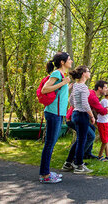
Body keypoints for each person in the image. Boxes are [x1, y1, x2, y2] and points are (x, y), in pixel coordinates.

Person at [39, 52, 72, 183]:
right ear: (62, 62)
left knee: (51, 143)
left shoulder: (61, 75)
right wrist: (63, 82)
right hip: (53, 113)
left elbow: (59, 93)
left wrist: (67, 85)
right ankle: (45, 175)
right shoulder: (57, 74)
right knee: (49, 144)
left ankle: (46, 172)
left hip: (57, 113)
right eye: (69, 59)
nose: (71, 61)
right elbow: (45, 90)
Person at [62, 65, 95, 174]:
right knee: (82, 140)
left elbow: (70, 100)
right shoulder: (84, 87)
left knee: (79, 140)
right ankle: (78, 165)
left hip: (75, 113)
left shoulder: (76, 85)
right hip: (81, 114)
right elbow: (85, 104)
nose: (89, 73)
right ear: (83, 74)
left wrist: (76, 107)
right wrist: (91, 116)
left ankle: (68, 163)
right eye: (88, 71)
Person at [84, 80, 108, 159]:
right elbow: (104, 112)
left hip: (104, 121)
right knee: (105, 140)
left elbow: (104, 112)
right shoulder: (104, 101)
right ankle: (100, 156)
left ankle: (107, 155)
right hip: (102, 122)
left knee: (106, 139)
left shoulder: (104, 101)